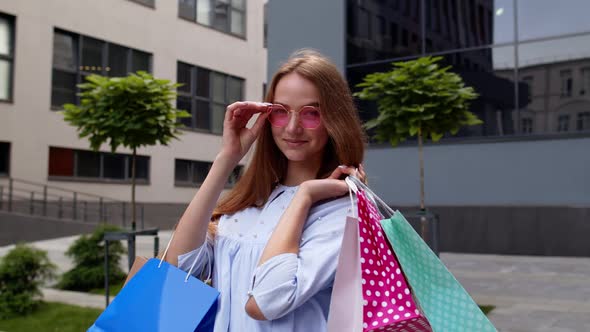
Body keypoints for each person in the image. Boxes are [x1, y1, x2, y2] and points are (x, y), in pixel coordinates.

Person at [166, 50, 367, 331]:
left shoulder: (342, 211)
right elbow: (176, 271)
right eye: (281, 112)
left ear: (336, 120)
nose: (293, 127)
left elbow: (266, 302)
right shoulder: (251, 202)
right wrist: (227, 158)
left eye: (312, 114)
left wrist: (305, 196)